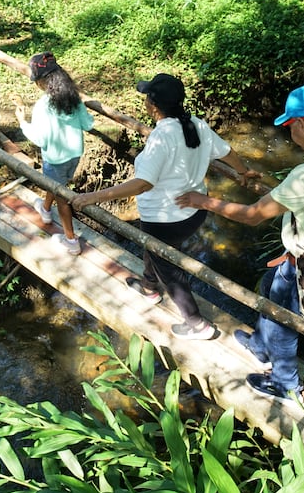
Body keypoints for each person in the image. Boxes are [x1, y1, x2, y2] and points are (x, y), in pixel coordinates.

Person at [177, 84, 304, 404]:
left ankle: (285, 384)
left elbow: (252, 215)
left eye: (290, 127)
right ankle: (262, 346)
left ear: (302, 124)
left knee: (282, 321)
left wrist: (203, 201)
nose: (290, 135)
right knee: (269, 285)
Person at [70, 73, 253, 341]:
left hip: (165, 220)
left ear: (153, 106)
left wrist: (92, 197)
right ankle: (149, 287)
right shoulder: (196, 124)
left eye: (147, 97)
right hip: (194, 212)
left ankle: (196, 324)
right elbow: (226, 152)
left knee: (168, 268)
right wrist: (243, 172)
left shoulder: (161, 137)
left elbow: (143, 184)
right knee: (154, 250)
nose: (145, 101)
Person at [15, 52, 94, 256]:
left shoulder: (43, 106)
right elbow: (88, 124)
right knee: (58, 183)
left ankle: (71, 240)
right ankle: (45, 209)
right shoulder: (73, 98)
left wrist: (23, 122)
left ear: (41, 82)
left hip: (55, 158)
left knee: (62, 198)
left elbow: (40, 139)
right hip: (74, 155)